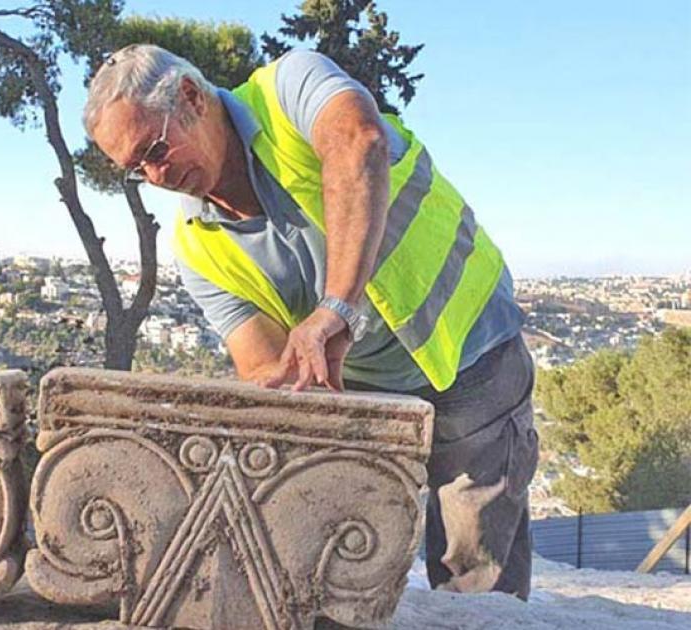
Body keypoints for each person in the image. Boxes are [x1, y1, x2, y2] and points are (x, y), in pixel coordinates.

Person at [84, 44, 540, 600]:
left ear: (190, 96)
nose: (157, 175)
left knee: (477, 571)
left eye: (155, 149)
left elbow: (357, 143)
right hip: (370, 392)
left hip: (470, 348)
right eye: (136, 170)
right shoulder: (194, 245)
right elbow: (264, 366)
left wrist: (336, 309)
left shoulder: (289, 88)